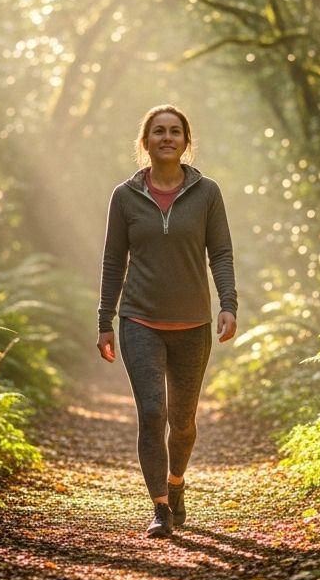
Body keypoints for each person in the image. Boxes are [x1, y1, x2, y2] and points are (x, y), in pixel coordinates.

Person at [97, 104, 238, 538]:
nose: (166, 137)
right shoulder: (124, 196)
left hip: (193, 324)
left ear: (185, 141)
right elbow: (112, 261)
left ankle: (176, 483)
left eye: (175, 131)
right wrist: (105, 319)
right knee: (152, 412)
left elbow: (221, 252)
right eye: (158, 131)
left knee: (183, 421)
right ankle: (160, 506)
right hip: (139, 320)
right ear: (145, 141)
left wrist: (227, 303)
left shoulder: (207, 192)